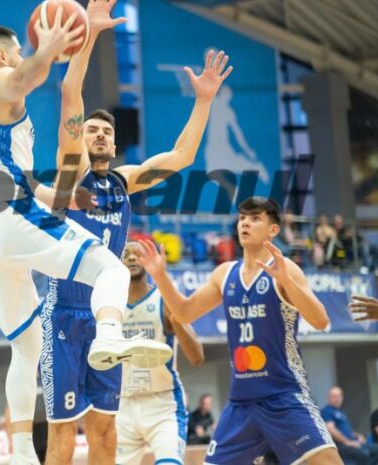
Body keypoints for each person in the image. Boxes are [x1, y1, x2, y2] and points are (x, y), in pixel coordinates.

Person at [0, 11, 170, 464]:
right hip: (4, 215)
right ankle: (109, 335)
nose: (21, 57)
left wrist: (59, 196)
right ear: (2, 56)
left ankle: (20, 453)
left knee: (25, 343)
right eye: (17, 51)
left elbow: (16, 175)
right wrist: (50, 48)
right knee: (111, 268)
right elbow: (28, 78)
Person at [39, 1, 231, 461]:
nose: (99, 135)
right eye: (91, 130)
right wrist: (90, 35)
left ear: (114, 142)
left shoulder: (124, 182)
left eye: (106, 131)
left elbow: (182, 157)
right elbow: (70, 92)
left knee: (106, 433)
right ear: (79, 137)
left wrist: (204, 101)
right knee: (63, 435)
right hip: (65, 312)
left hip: (109, 316)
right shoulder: (72, 173)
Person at [135, 197, 343, 465]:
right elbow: (184, 312)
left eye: (255, 218)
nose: (245, 223)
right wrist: (160, 276)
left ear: (273, 230)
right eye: (243, 217)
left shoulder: (285, 269)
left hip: (284, 395)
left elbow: (321, 321)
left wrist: (286, 281)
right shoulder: (225, 273)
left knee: (328, 462)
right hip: (241, 403)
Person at [114, 241, 205, 465]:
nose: (132, 258)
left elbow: (197, 358)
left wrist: (177, 321)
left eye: (138, 253)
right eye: (126, 254)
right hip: (123, 404)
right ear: (117, 262)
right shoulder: (110, 307)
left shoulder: (164, 301)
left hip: (163, 403)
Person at [321, 386, 378, 465]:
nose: (337, 399)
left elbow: (346, 431)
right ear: (329, 398)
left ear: (342, 397)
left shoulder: (341, 411)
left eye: (338, 396)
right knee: (365, 454)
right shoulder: (327, 411)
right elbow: (331, 430)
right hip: (341, 446)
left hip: (353, 442)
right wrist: (347, 442)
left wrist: (358, 436)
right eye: (334, 397)